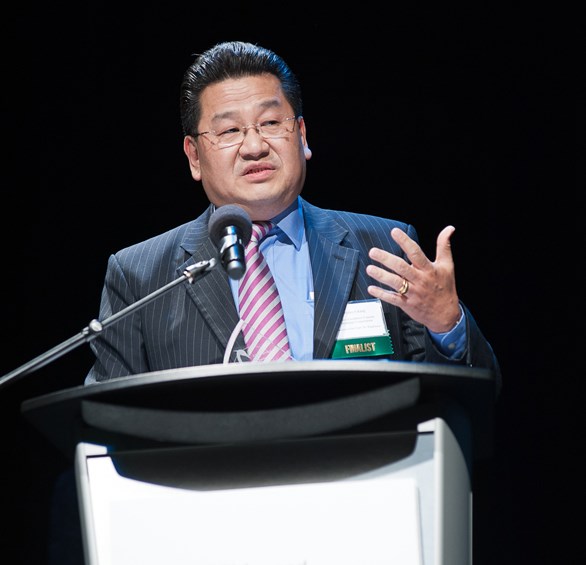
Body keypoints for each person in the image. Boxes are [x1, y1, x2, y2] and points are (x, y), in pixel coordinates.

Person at [85, 40, 501, 388]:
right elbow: (109, 423)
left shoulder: (382, 249)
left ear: (301, 136)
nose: (254, 146)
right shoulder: (140, 276)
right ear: (194, 156)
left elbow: (469, 404)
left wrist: (447, 325)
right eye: (229, 131)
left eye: (270, 123)